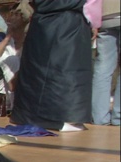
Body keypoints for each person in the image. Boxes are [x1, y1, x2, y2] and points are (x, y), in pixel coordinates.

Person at [11, 0, 102, 131]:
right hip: (70, 21)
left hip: (43, 21)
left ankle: (33, 115)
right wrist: (93, 21)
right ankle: (66, 117)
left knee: (39, 70)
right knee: (67, 70)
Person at [0, 2, 31, 116]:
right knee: (10, 60)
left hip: (19, 84)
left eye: (16, 14)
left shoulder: (30, 42)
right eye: (11, 14)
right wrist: (8, 37)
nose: (12, 17)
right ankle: (14, 106)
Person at [91, 1, 120, 126]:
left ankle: (99, 117)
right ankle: (118, 117)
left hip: (105, 16)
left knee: (102, 68)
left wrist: (93, 22)